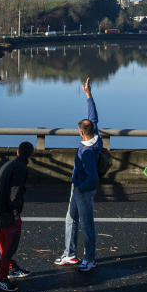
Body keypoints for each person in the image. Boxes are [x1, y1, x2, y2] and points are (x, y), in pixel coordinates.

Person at [55, 77, 102, 272]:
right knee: (70, 219)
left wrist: (80, 188)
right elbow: (93, 117)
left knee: (86, 224)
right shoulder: (95, 138)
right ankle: (70, 254)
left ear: (82, 133)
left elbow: (93, 178)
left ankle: (89, 259)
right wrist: (88, 95)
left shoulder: (87, 153)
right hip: (77, 188)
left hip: (82, 190)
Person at [0, 141, 35, 292]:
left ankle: (11, 266)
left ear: (17, 152)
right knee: (10, 245)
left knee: (5, 242)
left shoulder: (8, 165)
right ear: (30, 155)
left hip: (0, 207)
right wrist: (15, 214)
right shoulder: (21, 169)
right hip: (9, 211)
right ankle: (1, 278)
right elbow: (15, 192)